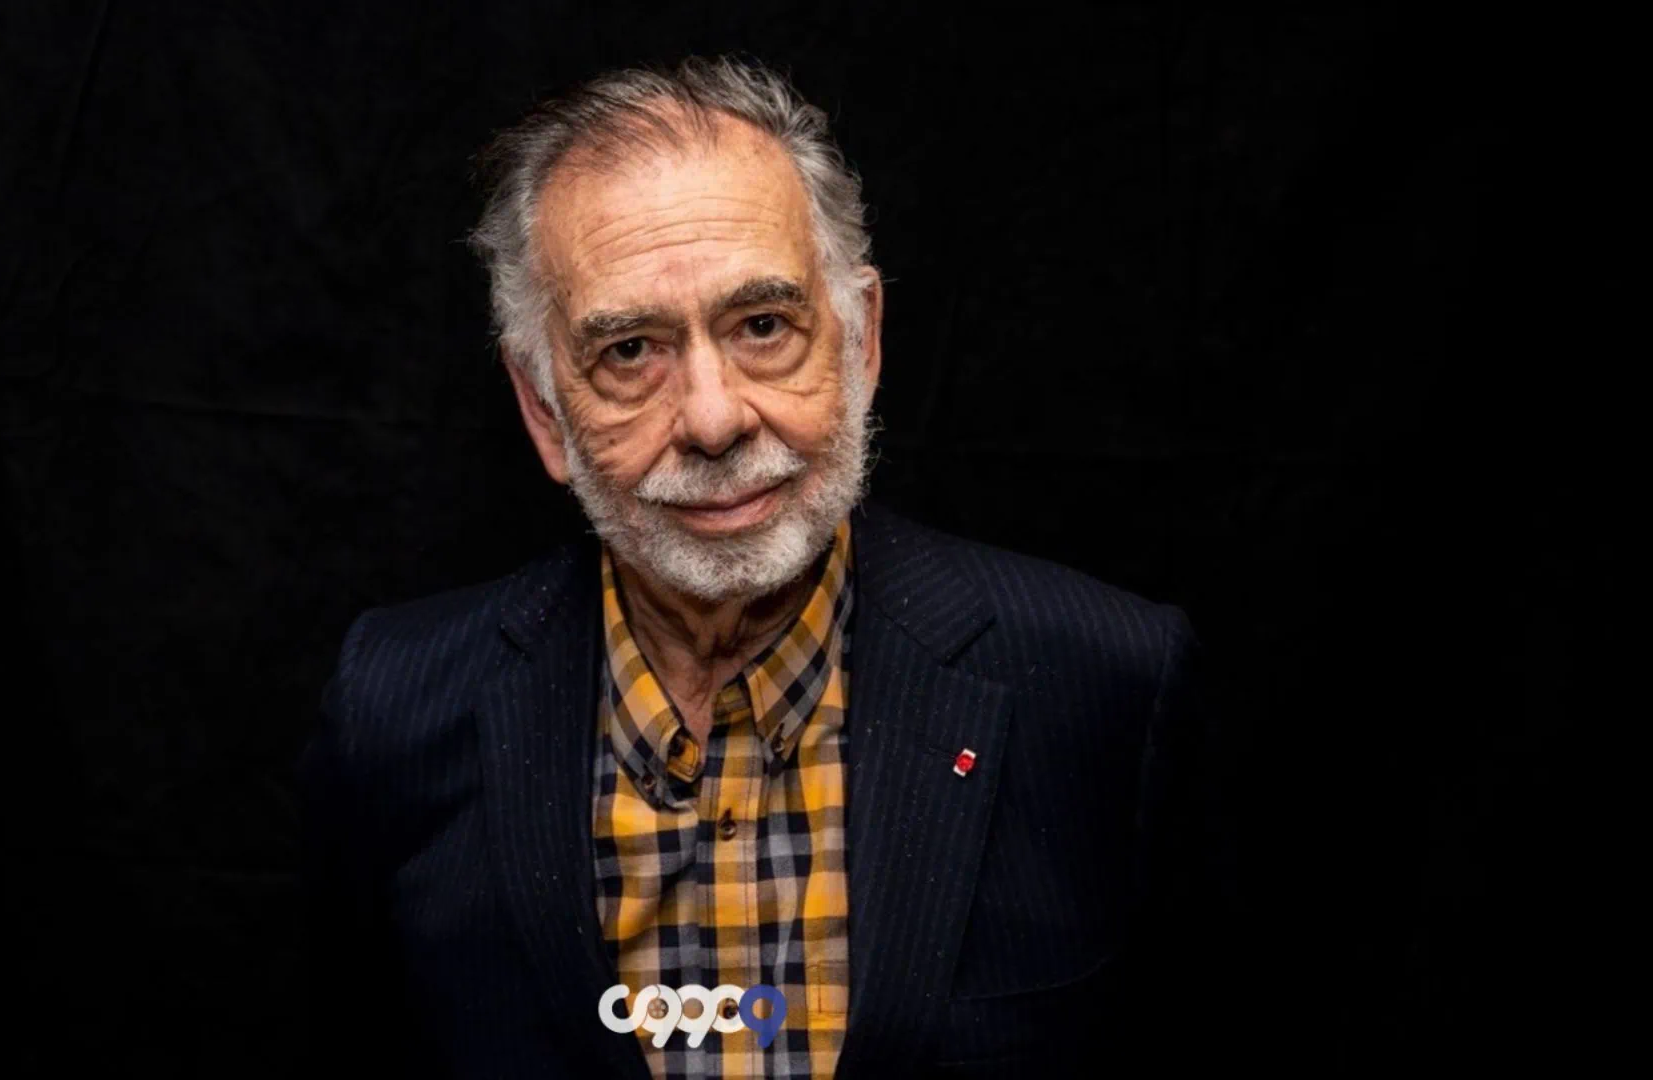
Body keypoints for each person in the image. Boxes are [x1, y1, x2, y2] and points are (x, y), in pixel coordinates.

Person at [301, 56, 1227, 1079]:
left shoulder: (1105, 687)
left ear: (860, 344)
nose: (713, 419)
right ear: (545, 408)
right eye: (629, 352)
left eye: (764, 327)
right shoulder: (396, 707)